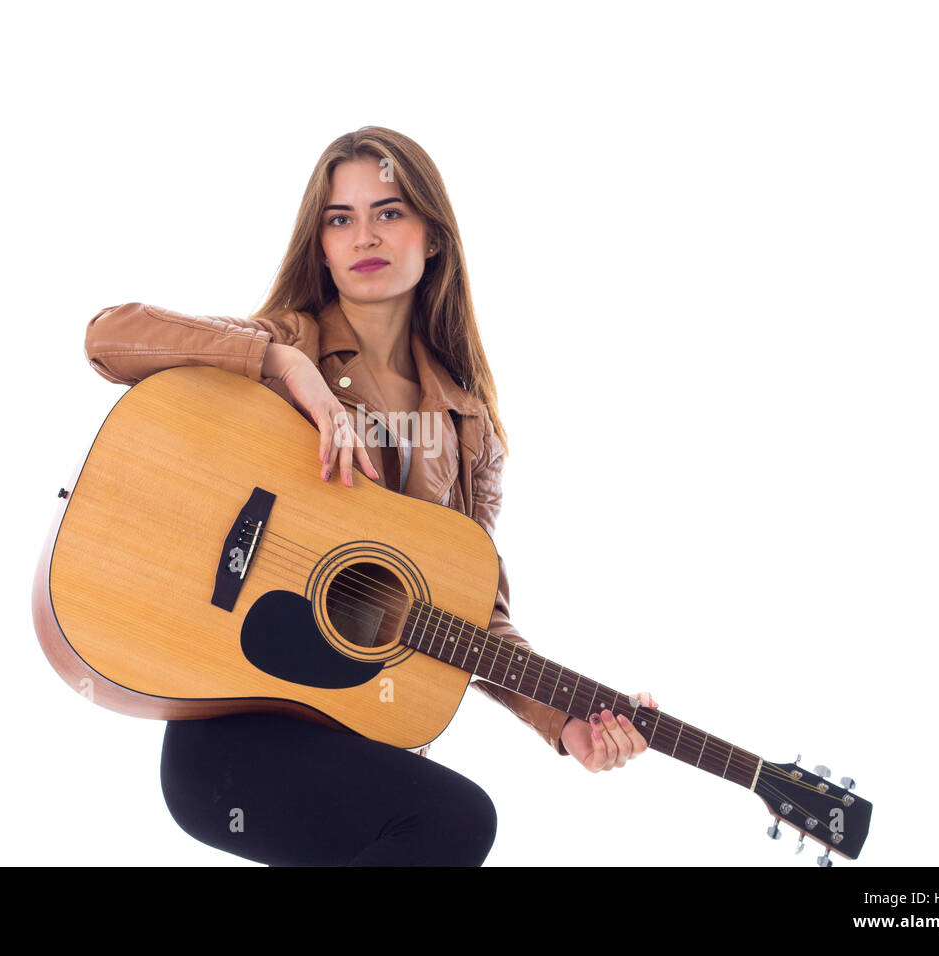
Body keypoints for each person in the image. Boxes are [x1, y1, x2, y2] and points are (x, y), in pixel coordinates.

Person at [82, 126, 657, 866]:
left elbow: (473, 615)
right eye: (340, 218)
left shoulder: (470, 426)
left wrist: (563, 724)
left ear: (433, 236)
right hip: (231, 726)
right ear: (319, 245)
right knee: (453, 822)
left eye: (389, 212)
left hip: (359, 737)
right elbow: (108, 337)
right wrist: (284, 363)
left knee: (436, 821)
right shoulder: (286, 341)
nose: (364, 236)